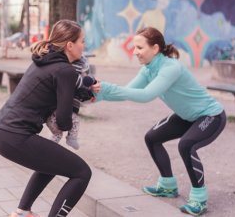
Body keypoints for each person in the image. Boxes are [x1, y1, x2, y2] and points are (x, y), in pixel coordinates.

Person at [92, 27, 226, 216]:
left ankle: (199, 198)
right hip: (187, 116)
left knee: (186, 145)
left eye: (139, 47)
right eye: (134, 47)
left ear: (155, 49)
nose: (135, 52)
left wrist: (108, 88)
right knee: (152, 138)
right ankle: (167, 185)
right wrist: (98, 95)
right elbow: (126, 92)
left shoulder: (170, 68)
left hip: (210, 116)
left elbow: (146, 95)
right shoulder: (149, 69)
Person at [0, 20, 91, 217]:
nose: (84, 46)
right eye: (82, 41)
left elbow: (55, 91)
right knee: (82, 173)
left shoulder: (44, 60)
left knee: (51, 161)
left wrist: (83, 93)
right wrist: (71, 119)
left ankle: (22, 212)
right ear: (70, 45)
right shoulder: (65, 70)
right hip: (15, 135)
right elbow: (63, 121)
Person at [45, 55, 94, 150]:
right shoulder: (75, 77)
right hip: (58, 113)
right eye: (83, 72)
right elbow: (83, 83)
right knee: (75, 120)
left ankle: (48, 148)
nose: (84, 74)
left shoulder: (63, 72)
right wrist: (89, 82)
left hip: (49, 116)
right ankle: (72, 138)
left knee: (57, 134)